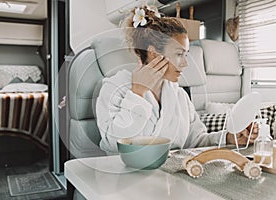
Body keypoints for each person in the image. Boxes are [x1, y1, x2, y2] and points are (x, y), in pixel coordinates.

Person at [96, 6, 258, 154]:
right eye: (179, 54)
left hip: (171, 177)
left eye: (186, 55)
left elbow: (196, 141)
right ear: (153, 53)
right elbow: (113, 145)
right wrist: (138, 93)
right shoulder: (115, 87)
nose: (186, 63)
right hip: (126, 178)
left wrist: (228, 138)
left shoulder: (179, 95)